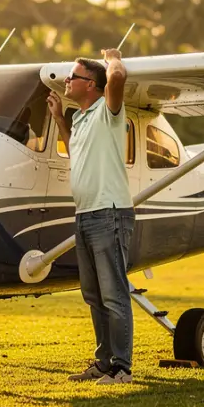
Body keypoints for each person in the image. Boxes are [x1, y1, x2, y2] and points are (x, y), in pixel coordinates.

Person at [47, 48, 135, 385]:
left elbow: (118, 76)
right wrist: (58, 119)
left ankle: (122, 368)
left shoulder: (108, 110)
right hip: (85, 214)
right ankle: (103, 363)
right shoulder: (81, 117)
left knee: (113, 294)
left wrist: (113, 56)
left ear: (93, 85)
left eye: (74, 76)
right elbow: (77, 150)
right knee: (94, 295)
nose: (67, 81)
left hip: (109, 213)